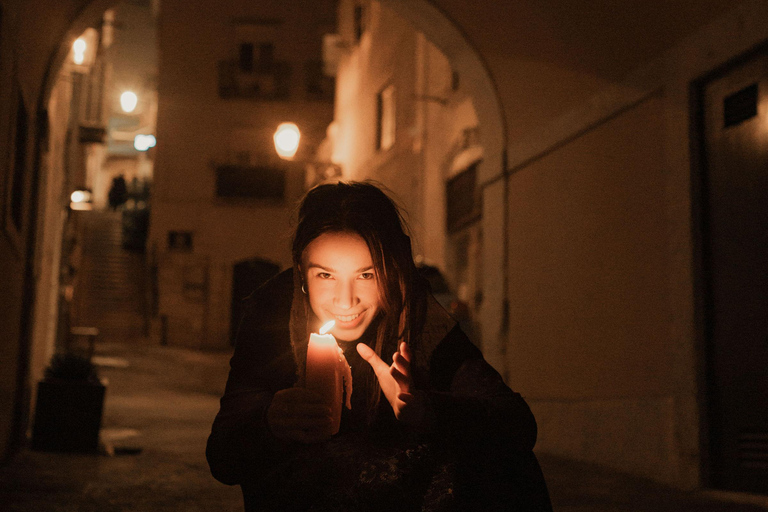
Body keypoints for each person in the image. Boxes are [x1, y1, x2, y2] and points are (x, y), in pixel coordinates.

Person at [206, 181, 552, 511]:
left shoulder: (414, 313)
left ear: (392, 270)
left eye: (367, 275)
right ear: (301, 270)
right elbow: (223, 458)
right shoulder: (273, 314)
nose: (345, 301)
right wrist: (269, 422)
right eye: (325, 275)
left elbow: (518, 426)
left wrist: (428, 411)